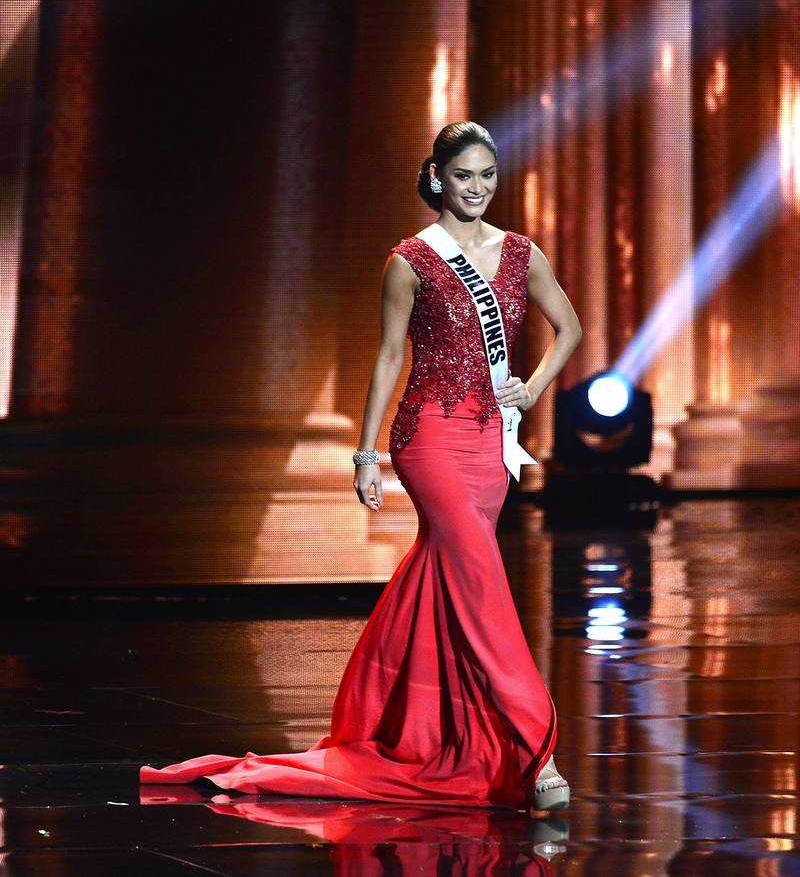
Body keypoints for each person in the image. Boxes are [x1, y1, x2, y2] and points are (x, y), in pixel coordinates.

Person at [139, 121, 584, 815]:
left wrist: (533, 384)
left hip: (489, 442)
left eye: (487, 176)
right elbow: (385, 359)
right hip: (429, 437)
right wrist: (368, 454)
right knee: (478, 577)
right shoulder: (410, 259)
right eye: (463, 175)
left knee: (443, 580)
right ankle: (537, 746)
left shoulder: (522, 254)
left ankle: (409, 728)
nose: (477, 188)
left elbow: (571, 328)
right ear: (436, 177)